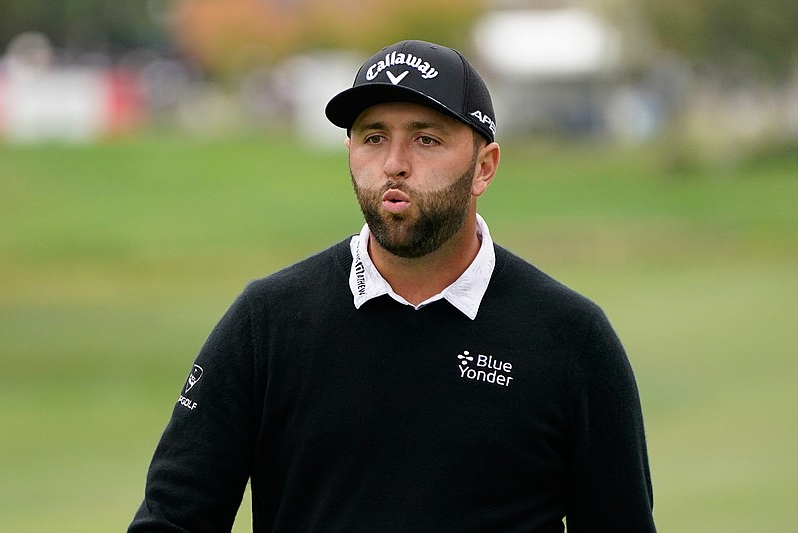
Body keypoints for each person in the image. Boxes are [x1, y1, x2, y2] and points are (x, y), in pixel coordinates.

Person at [128, 40, 655, 532]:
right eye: (373, 137)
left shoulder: (571, 339)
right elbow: (173, 518)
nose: (394, 164)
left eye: (426, 138)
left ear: (484, 167)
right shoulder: (268, 321)